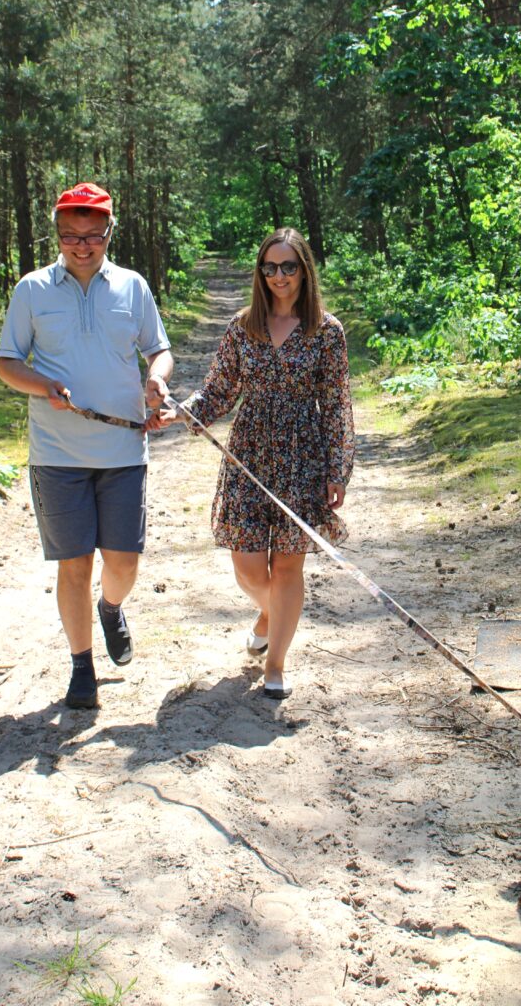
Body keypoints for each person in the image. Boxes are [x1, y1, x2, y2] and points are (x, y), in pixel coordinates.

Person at [148, 227, 354, 699]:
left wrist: (337, 470)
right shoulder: (243, 326)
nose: (279, 276)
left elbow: (336, 404)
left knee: (288, 567)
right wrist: (181, 412)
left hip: (303, 457)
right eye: (270, 267)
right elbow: (220, 389)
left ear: (304, 270)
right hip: (249, 455)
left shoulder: (327, 331)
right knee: (247, 568)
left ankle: (275, 664)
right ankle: (270, 614)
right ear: (260, 273)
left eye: (288, 266)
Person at [0, 182, 173, 710]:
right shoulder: (32, 290)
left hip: (123, 451)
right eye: (71, 235)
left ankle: (111, 607)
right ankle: (81, 667)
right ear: (57, 234)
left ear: (109, 233)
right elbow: (8, 363)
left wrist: (157, 379)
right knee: (73, 564)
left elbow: (159, 350)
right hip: (57, 455)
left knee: (123, 563)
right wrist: (42, 385)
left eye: (93, 235)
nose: (81, 246)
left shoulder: (133, 287)